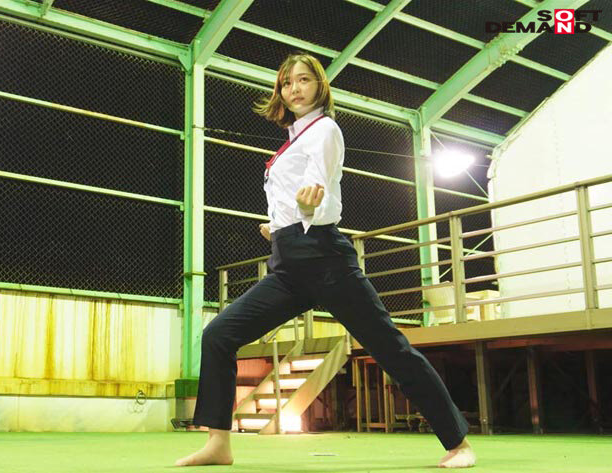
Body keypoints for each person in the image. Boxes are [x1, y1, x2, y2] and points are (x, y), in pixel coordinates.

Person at [175, 53, 476, 469]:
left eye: (303, 80)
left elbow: (321, 187)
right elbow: (294, 196)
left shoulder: (324, 130)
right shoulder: (293, 139)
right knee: (219, 335)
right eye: (287, 83)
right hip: (289, 263)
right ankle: (218, 444)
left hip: (326, 259)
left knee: (390, 348)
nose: (294, 89)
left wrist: (306, 209)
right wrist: (278, 226)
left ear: (319, 85)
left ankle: (458, 444)